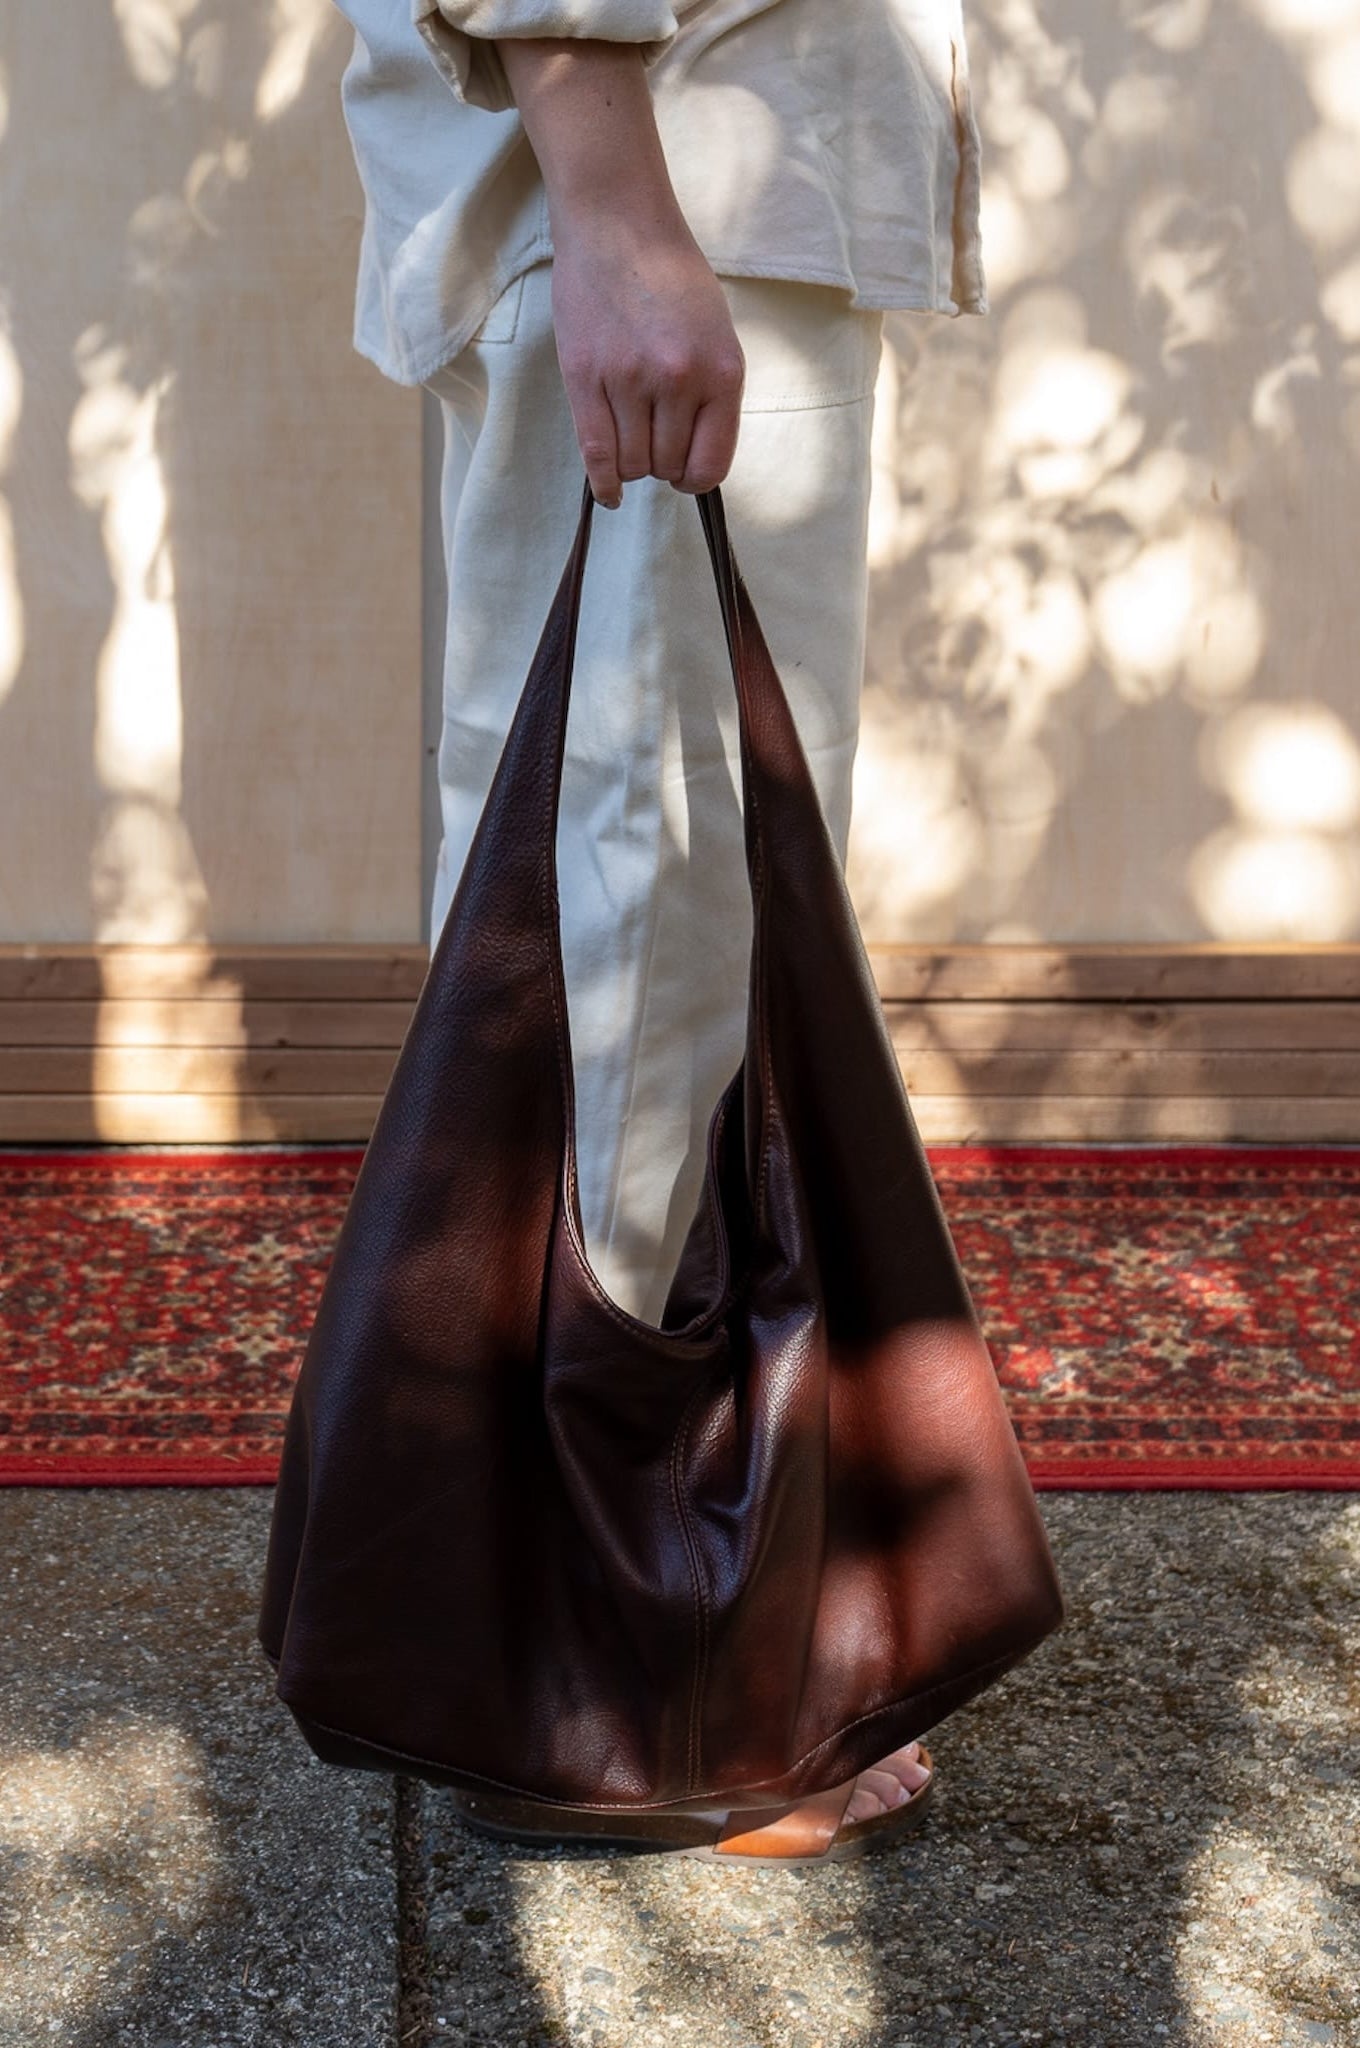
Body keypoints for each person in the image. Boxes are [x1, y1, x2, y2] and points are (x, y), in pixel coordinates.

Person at [325, 0, 988, 1859]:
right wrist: (617, 202)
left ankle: (577, 1626)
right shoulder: (645, 206)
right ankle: (644, 1690)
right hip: (674, 179)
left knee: (646, 903)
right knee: (649, 922)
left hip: (684, 184)